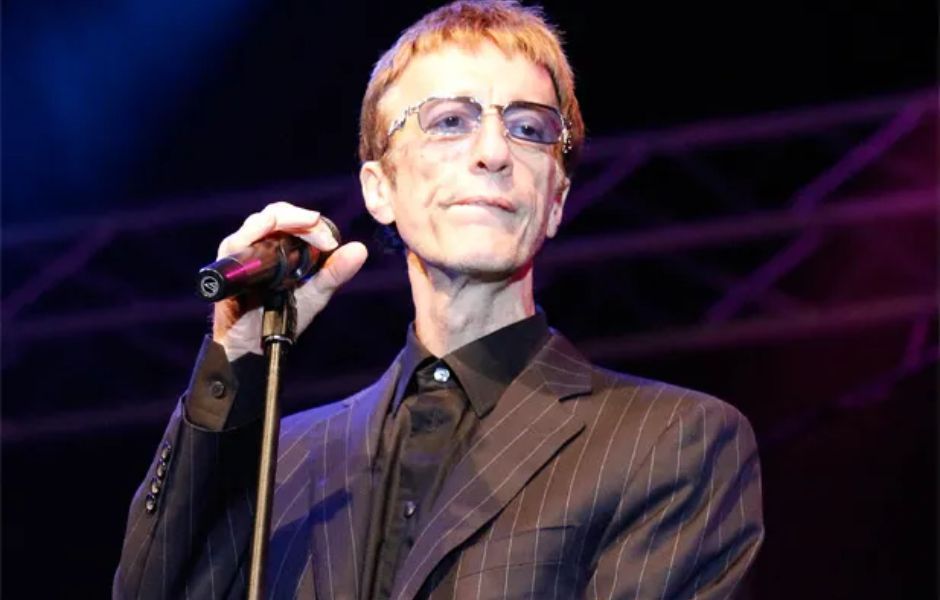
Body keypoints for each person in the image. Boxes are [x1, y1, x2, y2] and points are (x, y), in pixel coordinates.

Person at [114, 1, 764, 598]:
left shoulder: (668, 440)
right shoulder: (286, 460)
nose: (493, 152)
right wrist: (234, 356)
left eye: (529, 128)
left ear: (556, 200)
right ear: (380, 190)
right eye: (450, 121)